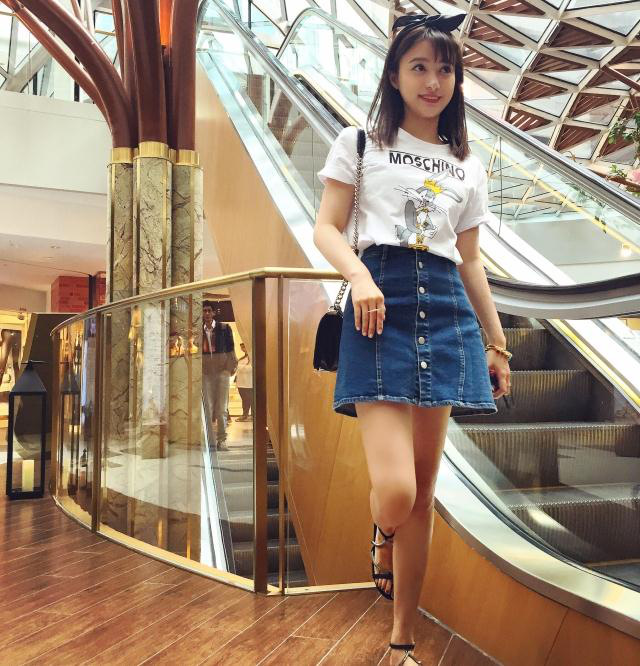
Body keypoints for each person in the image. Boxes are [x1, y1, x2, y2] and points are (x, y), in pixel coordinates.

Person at [313, 13, 511, 666]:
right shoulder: (360, 143)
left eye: (444, 69)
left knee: (423, 495)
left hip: (447, 311)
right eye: (419, 67)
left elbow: (471, 260)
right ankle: (383, 527)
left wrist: (496, 342)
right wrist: (359, 277)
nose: (433, 81)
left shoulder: (466, 165)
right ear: (394, 76)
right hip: (379, 311)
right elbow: (326, 228)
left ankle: (403, 638)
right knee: (397, 492)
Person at [202, 301, 238, 451]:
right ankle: (210, 441)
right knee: (208, 408)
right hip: (206, 373)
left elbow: (231, 349)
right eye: (204, 311)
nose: (207, 313)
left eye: (209, 311)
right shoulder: (199, 331)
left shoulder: (224, 328)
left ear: (213, 313)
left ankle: (222, 440)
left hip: (222, 372)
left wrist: (229, 369)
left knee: (222, 408)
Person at [234, 342, 252, 421]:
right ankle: (245, 414)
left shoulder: (252, 358)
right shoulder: (242, 358)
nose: (242, 349)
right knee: (244, 400)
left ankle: (247, 415)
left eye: (244, 347)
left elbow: (250, 368)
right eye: (241, 347)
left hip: (248, 383)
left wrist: (239, 367)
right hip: (241, 383)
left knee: (248, 400)